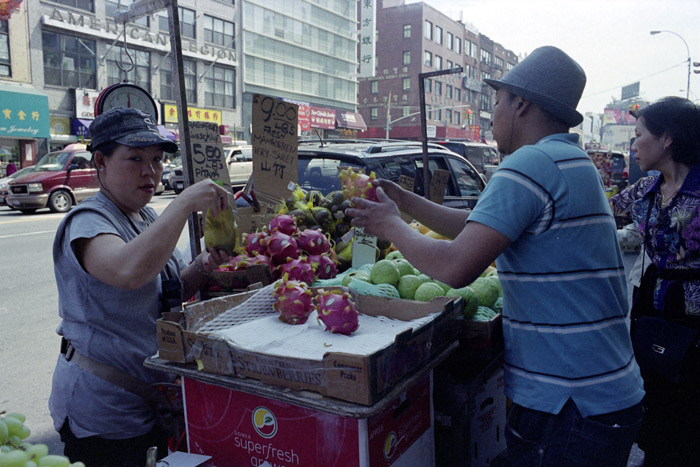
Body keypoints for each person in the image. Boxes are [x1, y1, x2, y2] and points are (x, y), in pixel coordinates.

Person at [347, 46, 645, 466]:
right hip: (603, 396)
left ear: (520, 104)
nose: (492, 115)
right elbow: (480, 227)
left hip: (569, 404)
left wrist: (389, 226)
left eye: (498, 101)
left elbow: (455, 268)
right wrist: (406, 203)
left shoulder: (529, 164)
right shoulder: (570, 161)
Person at [49, 107, 232, 466]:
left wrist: (204, 266)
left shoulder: (145, 215)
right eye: (135, 158)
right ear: (100, 162)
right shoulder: (88, 221)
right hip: (104, 411)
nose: (150, 170)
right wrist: (182, 205)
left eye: (157, 160)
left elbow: (168, 287)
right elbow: (128, 271)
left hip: (149, 400)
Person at [609, 97, 700, 467]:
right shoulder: (645, 188)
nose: (633, 145)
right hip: (653, 309)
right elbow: (599, 212)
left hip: (694, 316)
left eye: (638, 135)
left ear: (666, 138)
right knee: (657, 408)